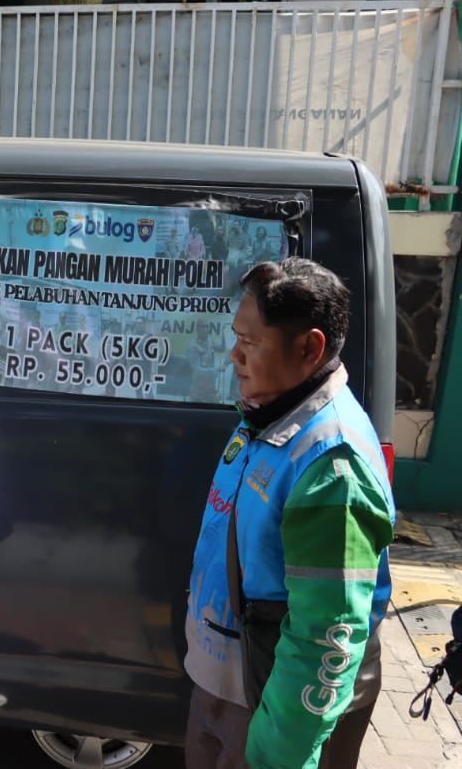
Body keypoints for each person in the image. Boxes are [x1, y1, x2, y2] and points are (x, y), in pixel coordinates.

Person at [183, 258, 395, 769]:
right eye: (237, 336)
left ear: (309, 348)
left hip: (273, 714)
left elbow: (326, 638)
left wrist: (276, 753)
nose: (234, 354)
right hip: (229, 688)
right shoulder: (269, 415)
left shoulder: (332, 467)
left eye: (251, 343)